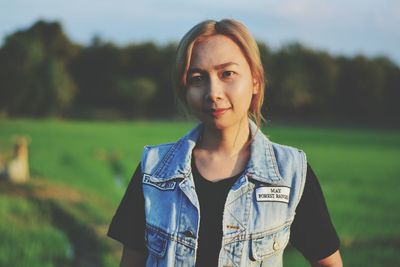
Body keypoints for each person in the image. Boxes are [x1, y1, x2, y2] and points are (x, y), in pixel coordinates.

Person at [107, 19, 343, 267]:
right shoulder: (154, 170)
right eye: (197, 78)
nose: (213, 92)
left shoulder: (291, 172)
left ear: (255, 80)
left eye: (227, 74)